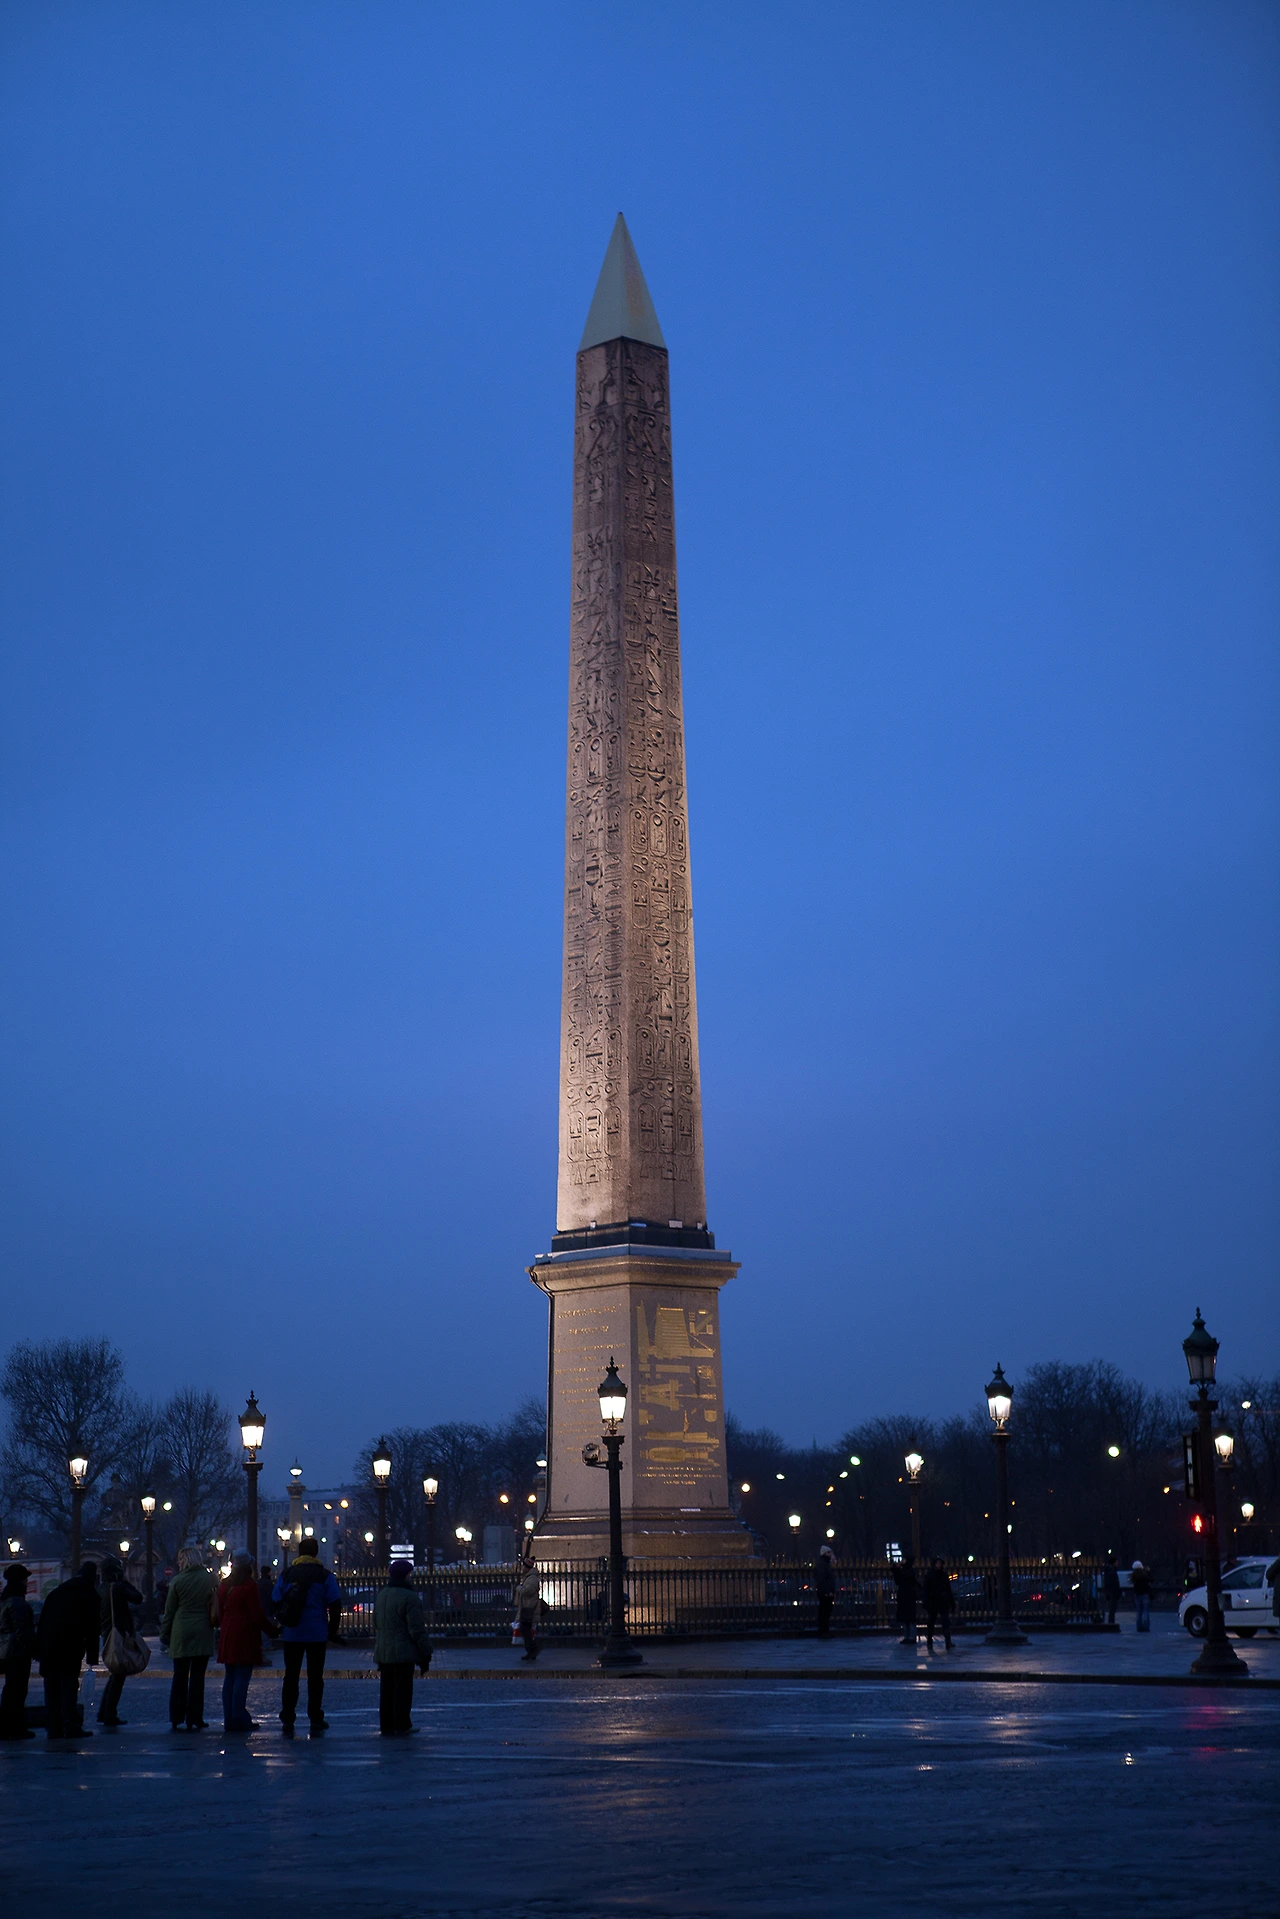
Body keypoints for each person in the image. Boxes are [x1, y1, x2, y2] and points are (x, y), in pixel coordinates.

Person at [272, 1536, 340, 1734]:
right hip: (317, 1633)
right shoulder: (325, 1575)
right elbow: (335, 1603)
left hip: (293, 1632)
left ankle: (288, 1717)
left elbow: (275, 1599)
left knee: (291, 1676)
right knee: (315, 1677)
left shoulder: (287, 1574)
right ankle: (315, 1717)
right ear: (316, 1553)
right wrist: (331, 1630)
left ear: (299, 1553)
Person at [35, 1561, 99, 1740]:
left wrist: (38, 1650)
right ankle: (70, 1725)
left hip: (49, 1647)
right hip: (70, 1647)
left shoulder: (57, 1592)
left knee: (51, 1688)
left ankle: (53, 1727)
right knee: (69, 1687)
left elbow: (43, 1623)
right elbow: (92, 1628)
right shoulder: (89, 1594)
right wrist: (92, 1656)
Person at [373, 1560, 433, 1735]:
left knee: (386, 1691)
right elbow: (416, 1628)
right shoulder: (409, 1597)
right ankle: (402, 1723)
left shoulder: (382, 1595)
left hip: (384, 1651)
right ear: (406, 1575)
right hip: (403, 1650)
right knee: (403, 1690)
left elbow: (376, 1623)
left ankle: (387, 1724)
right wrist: (425, 1651)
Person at [160, 1547, 216, 1731]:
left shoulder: (178, 1580)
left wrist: (164, 1633)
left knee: (180, 1676)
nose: (178, 1562)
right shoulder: (209, 1578)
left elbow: (169, 1611)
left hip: (181, 1630)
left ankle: (176, 1717)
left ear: (185, 1560)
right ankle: (195, 1717)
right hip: (202, 1628)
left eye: (180, 1559)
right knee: (198, 1678)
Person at [217, 1551, 270, 1732]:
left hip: (228, 1632)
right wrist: (272, 1630)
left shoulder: (224, 1586)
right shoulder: (249, 1586)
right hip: (245, 1633)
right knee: (242, 1677)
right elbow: (257, 1614)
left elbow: (220, 1612)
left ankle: (229, 1718)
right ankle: (239, 1716)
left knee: (230, 1677)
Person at [96, 1554, 144, 1727]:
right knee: (118, 1675)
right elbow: (138, 1598)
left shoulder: (101, 1588)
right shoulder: (118, 1588)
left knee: (115, 1673)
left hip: (107, 1633)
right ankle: (109, 1713)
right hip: (119, 1634)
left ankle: (104, 1712)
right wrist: (125, 1581)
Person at [0, 1562, 37, 1739]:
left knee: (10, 1689)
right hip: (17, 1653)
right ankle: (15, 1727)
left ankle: (8, 1726)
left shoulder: (5, 1601)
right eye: (25, 1580)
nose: (27, 1583)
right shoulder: (18, 1604)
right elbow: (23, 1632)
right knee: (18, 1690)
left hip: (6, 1651)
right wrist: (33, 1649)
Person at [923, 1556, 955, 1651]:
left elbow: (948, 1590)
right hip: (933, 1602)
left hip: (942, 1602)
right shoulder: (929, 1575)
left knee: (945, 1622)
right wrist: (926, 1601)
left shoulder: (943, 1575)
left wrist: (951, 1603)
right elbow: (926, 1590)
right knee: (931, 1622)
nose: (939, 1565)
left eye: (940, 1563)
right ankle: (929, 1640)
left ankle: (948, 1641)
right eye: (938, 1563)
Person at [515, 1561, 542, 1661]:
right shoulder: (529, 1578)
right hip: (527, 1607)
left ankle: (533, 1649)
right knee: (525, 1630)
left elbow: (527, 1591)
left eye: (523, 1566)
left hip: (529, 1608)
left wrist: (518, 1587)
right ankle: (531, 1651)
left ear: (527, 1568)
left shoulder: (532, 1578)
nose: (522, 1568)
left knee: (525, 1629)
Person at [891, 1555, 919, 1646]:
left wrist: (897, 1569)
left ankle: (911, 1637)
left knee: (910, 1620)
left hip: (909, 1597)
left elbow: (903, 1578)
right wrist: (896, 1569)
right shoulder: (904, 1570)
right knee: (905, 1619)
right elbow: (898, 1580)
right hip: (904, 1598)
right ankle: (907, 1637)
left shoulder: (910, 1571)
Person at [814, 1547, 836, 1636]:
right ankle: (823, 1631)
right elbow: (822, 1580)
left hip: (826, 1591)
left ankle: (824, 1630)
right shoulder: (822, 1565)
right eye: (828, 1553)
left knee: (826, 1611)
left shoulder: (824, 1564)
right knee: (824, 1612)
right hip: (825, 1592)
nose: (830, 1555)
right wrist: (827, 1591)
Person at [1131, 1561, 1151, 1632]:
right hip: (1144, 1594)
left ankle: (1139, 1626)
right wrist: (1148, 1572)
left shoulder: (1133, 1576)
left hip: (1137, 1594)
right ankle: (1146, 1626)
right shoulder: (1144, 1575)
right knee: (1145, 1611)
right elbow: (1150, 1580)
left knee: (1139, 1611)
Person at [1101, 1556, 1121, 1626]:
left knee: (1111, 1608)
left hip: (1109, 1591)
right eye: (1116, 1562)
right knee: (1112, 1608)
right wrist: (1117, 1591)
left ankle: (1111, 1621)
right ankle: (1111, 1622)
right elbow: (1114, 1582)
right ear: (1114, 1562)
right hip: (1113, 1592)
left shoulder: (1108, 1570)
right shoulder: (1112, 1571)